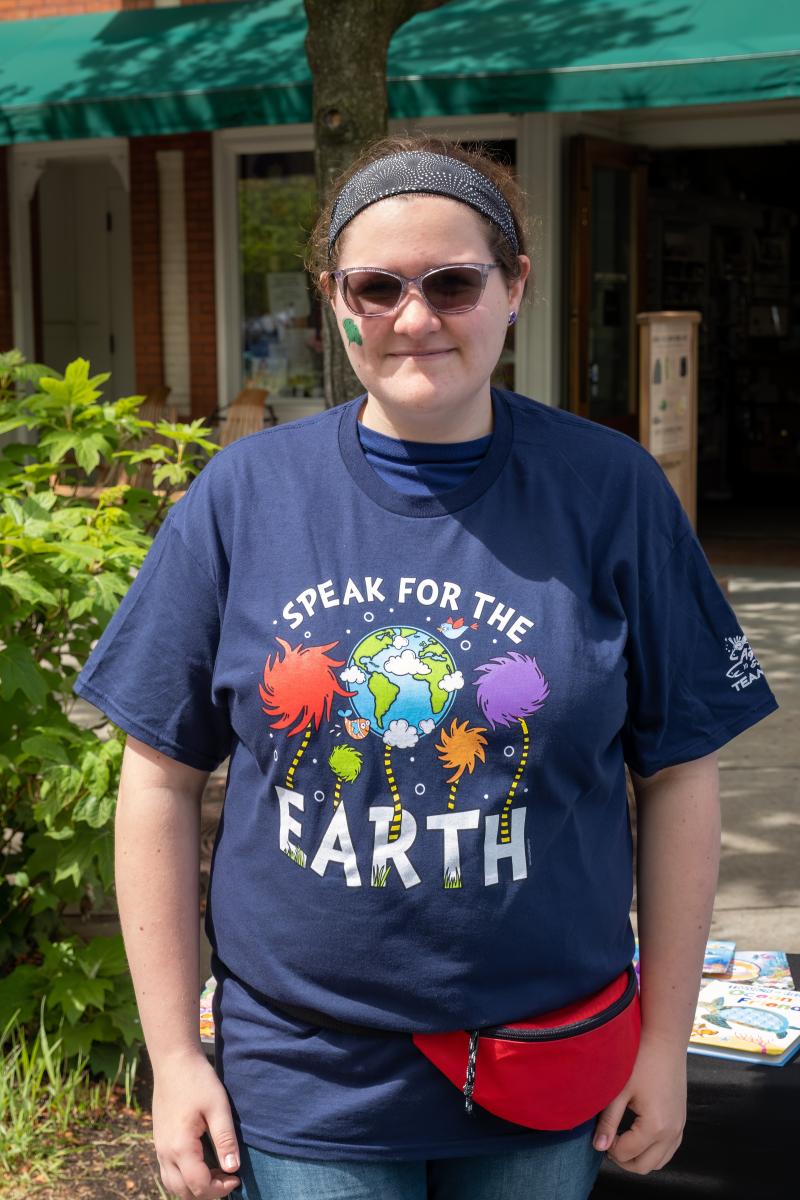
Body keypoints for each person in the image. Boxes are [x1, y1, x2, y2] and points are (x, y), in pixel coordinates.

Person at [73, 135, 778, 1200]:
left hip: (548, 1056)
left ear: (514, 288)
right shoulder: (244, 496)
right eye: (376, 286)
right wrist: (174, 1057)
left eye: (452, 282)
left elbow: (676, 772)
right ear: (336, 300)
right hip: (309, 1073)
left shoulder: (608, 491)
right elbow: (159, 775)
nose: (414, 318)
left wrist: (664, 1038)